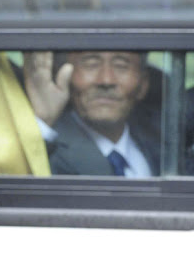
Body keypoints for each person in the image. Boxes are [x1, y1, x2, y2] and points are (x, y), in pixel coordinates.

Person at [23, 50, 160, 177]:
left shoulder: (163, 146)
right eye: (91, 64)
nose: (106, 80)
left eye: (121, 66)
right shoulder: (49, 146)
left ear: (143, 84)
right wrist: (43, 122)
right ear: (63, 75)